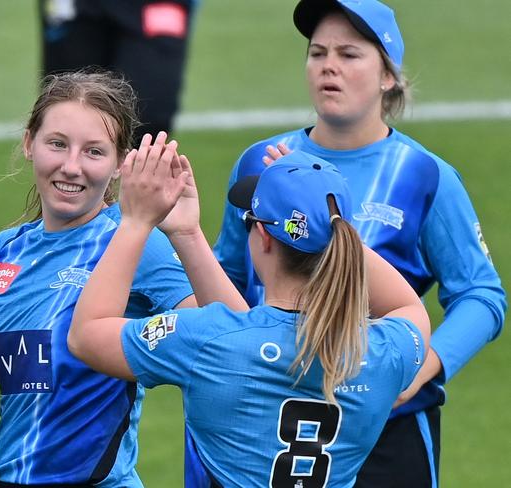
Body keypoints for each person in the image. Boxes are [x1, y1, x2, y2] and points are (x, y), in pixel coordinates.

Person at [213, 0, 507, 486]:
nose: (329, 65)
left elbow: (481, 295)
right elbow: (228, 277)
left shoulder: (424, 175)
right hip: (267, 421)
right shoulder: (259, 166)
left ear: (388, 76)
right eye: (317, 52)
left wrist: (417, 372)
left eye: (349, 54)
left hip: (385, 434)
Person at [67, 146, 431, 488]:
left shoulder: (206, 340)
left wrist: (135, 222)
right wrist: (324, 207)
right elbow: (409, 307)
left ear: (264, 237)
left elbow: (87, 335)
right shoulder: (386, 352)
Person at [0, 71, 196, 487]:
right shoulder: (3, 253)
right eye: (57, 144)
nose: (71, 166)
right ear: (30, 143)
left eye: (94, 152)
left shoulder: (133, 241)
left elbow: (221, 340)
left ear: (121, 163)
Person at [38, 0, 198, 141]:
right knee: (67, 109)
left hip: (157, 4)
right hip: (78, 7)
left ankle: (132, 171)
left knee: (149, 114)